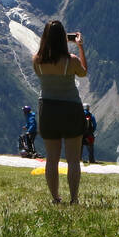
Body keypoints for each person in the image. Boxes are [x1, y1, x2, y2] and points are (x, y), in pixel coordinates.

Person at [33, 20, 88, 205]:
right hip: (70, 109)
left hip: (47, 110)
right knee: (73, 159)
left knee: (51, 159)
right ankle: (74, 198)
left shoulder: (37, 60)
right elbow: (83, 73)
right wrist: (80, 47)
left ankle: (55, 197)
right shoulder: (70, 61)